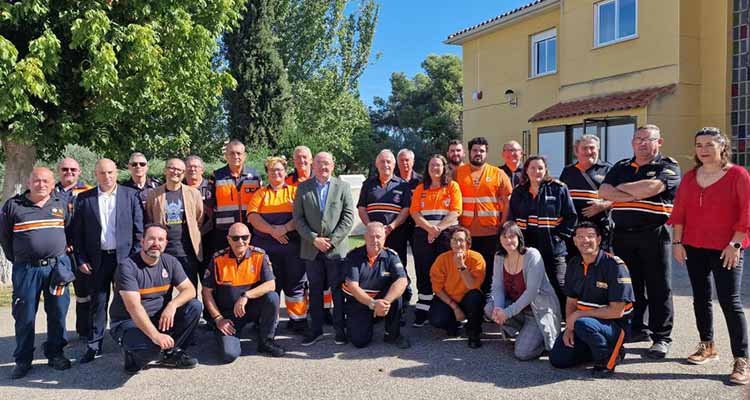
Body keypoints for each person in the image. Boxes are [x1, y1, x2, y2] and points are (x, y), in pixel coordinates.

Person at [669, 127, 750, 385]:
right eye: (699, 144)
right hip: (693, 246)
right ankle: (707, 346)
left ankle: (741, 359)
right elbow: (679, 211)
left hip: (727, 248)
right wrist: (678, 242)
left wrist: (735, 245)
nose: (703, 149)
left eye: (709, 144)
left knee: (730, 301)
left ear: (722, 147)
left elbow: (747, 212)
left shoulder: (738, 175)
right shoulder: (691, 177)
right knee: (701, 298)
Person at [599, 124, 680, 358]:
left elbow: (652, 187)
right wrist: (635, 191)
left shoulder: (668, 166)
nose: (642, 143)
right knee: (630, 286)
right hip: (623, 234)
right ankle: (637, 328)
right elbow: (604, 191)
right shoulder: (622, 166)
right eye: (637, 139)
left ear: (659, 142)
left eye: (647, 139)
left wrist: (622, 189)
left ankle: (661, 337)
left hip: (654, 234)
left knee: (659, 287)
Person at [0, 167, 74, 379]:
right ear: (28, 182)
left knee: (58, 312)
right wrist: (19, 258)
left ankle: (56, 354)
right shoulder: (13, 205)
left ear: (52, 184)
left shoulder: (61, 204)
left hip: (56, 269)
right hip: (27, 269)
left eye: (45, 181)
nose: (41, 184)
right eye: (37, 181)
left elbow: (68, 230)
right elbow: (4, 238)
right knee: (24, 315)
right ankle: (23, 360)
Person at [72, 158, 143, 364]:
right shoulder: (84, 199)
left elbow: (139, 230)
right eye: (102, 173)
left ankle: (129, 339)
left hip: (125, 259)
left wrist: (134, 258)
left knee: (127, 301)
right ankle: (94, 344)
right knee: (98, 302)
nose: (107, 177)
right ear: (96, 174)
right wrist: (81, 258)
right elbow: (78, 234)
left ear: (117, 173)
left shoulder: (131, 196)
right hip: (97, 259)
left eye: (111, 172)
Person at [108, 224, 202, 374]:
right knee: (151, 349)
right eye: (151, 239)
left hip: (158, 318)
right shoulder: (127, 267)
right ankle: (132, 357)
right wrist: (156, 336)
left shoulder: (170, 262)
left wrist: (172, 305)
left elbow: (190, 290)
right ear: (142, 241)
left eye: (161, 239)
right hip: (128, 321)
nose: (156, 244)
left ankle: (171, 353)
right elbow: (134, 307)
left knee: (194, 307)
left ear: (165, 243)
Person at [549, 222, 634, 378]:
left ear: (599, 239)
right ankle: (594, 348)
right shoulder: (574, 264)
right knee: (558, 359)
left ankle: (608, 356)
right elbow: (571, 301)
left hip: (614, 325)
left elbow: (617, 310)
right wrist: (569, 328)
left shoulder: (614, 265)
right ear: (574, 241)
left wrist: (578, 317)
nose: (585, 240)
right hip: (586, 325)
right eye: (580, 237)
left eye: (590, 236)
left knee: (582, 323)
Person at [293, 151, 354, 346]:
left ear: (333, 166)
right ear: (313, 165)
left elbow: (348, 217)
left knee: (337, 290)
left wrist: (332, 240)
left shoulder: (342, 187)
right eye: (319, 163)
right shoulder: (303, 188)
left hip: (335, 250)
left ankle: (339, 330)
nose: (323, 167)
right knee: (315, 289)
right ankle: (316, 329)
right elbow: (298, 218)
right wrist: (314, 239)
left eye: (326, 163)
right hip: (311, 249)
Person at [202, 223, 285, 362]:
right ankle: (221, 335)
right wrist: (218, 319)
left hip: (251, 308)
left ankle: (266, 341)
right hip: (228, 314)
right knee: (229, 355)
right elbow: (206, 292)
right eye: (235, 238)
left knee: (273, 297)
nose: (240, 241)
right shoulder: (218, 259)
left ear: (250, 238)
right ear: (228, 239)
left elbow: (271, 284)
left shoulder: (259, 255)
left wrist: (246, 296)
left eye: (244, 237)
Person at [508, 155, 577, 315]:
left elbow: (571, 216)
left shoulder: (558, 188)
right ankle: (533, 319)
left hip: (553, 247)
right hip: (528, 249)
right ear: (526, 170)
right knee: (529, 284)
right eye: (532, 168)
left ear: (545, 170)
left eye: (540, 168)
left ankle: (568, 321)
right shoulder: (519, 192)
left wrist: (559, 237)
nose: (536, 171)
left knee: (560, 283)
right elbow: (513, 218)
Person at [247, 156, 308, 333]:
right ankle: (267, 323)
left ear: (285, 171)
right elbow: (253, 217)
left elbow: (301, 216)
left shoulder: (295, 192)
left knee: (295, 284)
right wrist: (273, 231)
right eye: (272, 170)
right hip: (266, 250)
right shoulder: (260, 193)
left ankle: (298, 321)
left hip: (292, 249)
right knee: (268, 285)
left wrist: (285, 228)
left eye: (280, 169)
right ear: (267, 173)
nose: (276, 173)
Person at [486, 221, 561, 360]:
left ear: (519, 237)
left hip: (537, 311)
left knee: (522, 353)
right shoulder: (499, 256)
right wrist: (499, 308)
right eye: (504, 237)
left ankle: (542, 341)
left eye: (512, 236)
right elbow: (497, 286)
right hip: (518, 308)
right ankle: (525, 333)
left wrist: (507, 313)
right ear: (499, 239)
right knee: (490, 308)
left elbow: (531, 292)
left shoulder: (532, 255)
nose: (509, 240)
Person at [357, 149, 412, 316]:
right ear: (376, 164)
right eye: (382, 161)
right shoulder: (368, 184)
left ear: (394, 164)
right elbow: (361, 208)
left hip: (395, 235)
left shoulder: (402, 184)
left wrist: (392, 226)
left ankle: (398, 309)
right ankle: (375, 305)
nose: (386, 164)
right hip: (373, 237)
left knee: (397, 271)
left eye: (389, 161)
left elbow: (406, 209)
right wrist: (371, 227)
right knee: (372, 270)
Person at [409, 154, 462, 327]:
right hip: (423, 235)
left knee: (446, 270)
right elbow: (414, 212)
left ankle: (447, 305)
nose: (435, 168)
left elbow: (456, 211)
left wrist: (437, 229)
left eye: (438, 165)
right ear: (427, 168)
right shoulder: (420, 189)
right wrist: (429, 229)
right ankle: (423, 307)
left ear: (444, 167)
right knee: (423, 270)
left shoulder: (452, 186)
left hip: (446, 235)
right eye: (432, 165)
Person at [455, 136, 512, 295]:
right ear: (469, 152)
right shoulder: (458, 173)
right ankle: (468, 300)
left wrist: (503, 223)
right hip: (465, 232)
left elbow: (507, 201)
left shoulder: (498, 173)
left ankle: (488, 300)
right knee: (466, 267)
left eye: (481, 150)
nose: (478, 153)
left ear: (486, 153)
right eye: (475, 150)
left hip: (490, 232)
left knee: (489, 268)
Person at [342, 222, 410, 349]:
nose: (375, 240)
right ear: (365, 237)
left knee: (396, 297)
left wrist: (385, 302)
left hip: (380, 300)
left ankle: (392, 335)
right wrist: (372, 304)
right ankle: (370, 319)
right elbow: (353, 286)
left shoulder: (391, 256)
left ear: (384, 238)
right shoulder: (354, 256)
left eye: (378, 236)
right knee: (359, 341)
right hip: (360, 301)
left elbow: (402, 280)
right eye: (371, 236)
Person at [145, 158, 204, 289]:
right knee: (163, 293)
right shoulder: (154, 195)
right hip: (163, 252)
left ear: (183, 173)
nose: (175, 172)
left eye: (179, 170)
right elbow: (149, 218)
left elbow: (199, 219)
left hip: (187, 252)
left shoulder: (194, 194)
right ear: (165, 171)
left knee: (189, 293)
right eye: (172, 168)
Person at [54, 157, 92, 340]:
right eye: (65, 169)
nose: (69, 172)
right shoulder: (50, 192)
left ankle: (86, 331)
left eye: (73, 170)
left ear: (79, 172)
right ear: (58, 171)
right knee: (57, 296)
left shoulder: (89, 191)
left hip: (82, 251)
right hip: (57, 252)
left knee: (85, 293)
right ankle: (58, 337)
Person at [429, 226, 486, 348]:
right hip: (449, 299)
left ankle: (474, 333)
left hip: (468, 298)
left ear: (467, 243)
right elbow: (437, 288)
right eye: (454, 240)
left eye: (461, 240)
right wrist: (455, 308)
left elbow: (472, 286)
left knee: (476, 297)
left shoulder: (476, 258)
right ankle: (454, 324)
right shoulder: (442, 259)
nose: (457, 243)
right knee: (436, 320)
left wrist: (461, 266)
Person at [559, 134, 612, 258]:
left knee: (598, 263)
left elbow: (621, 197)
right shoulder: (568, 171)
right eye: (584, 148)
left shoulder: (608, 170)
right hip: (573, 230)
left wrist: (603, 205)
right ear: (576, 151)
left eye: (592, 148)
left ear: (598, 150)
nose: (589, 152)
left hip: (598, 228)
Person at [210, 139, 262, 254]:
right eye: (232, 153)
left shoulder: (254, 176)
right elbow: (210, 204)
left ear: (245, 156)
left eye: (239, 153)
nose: (235, 156)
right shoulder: (217, 176)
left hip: (250, 229)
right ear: (226, 156)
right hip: (224, 231)